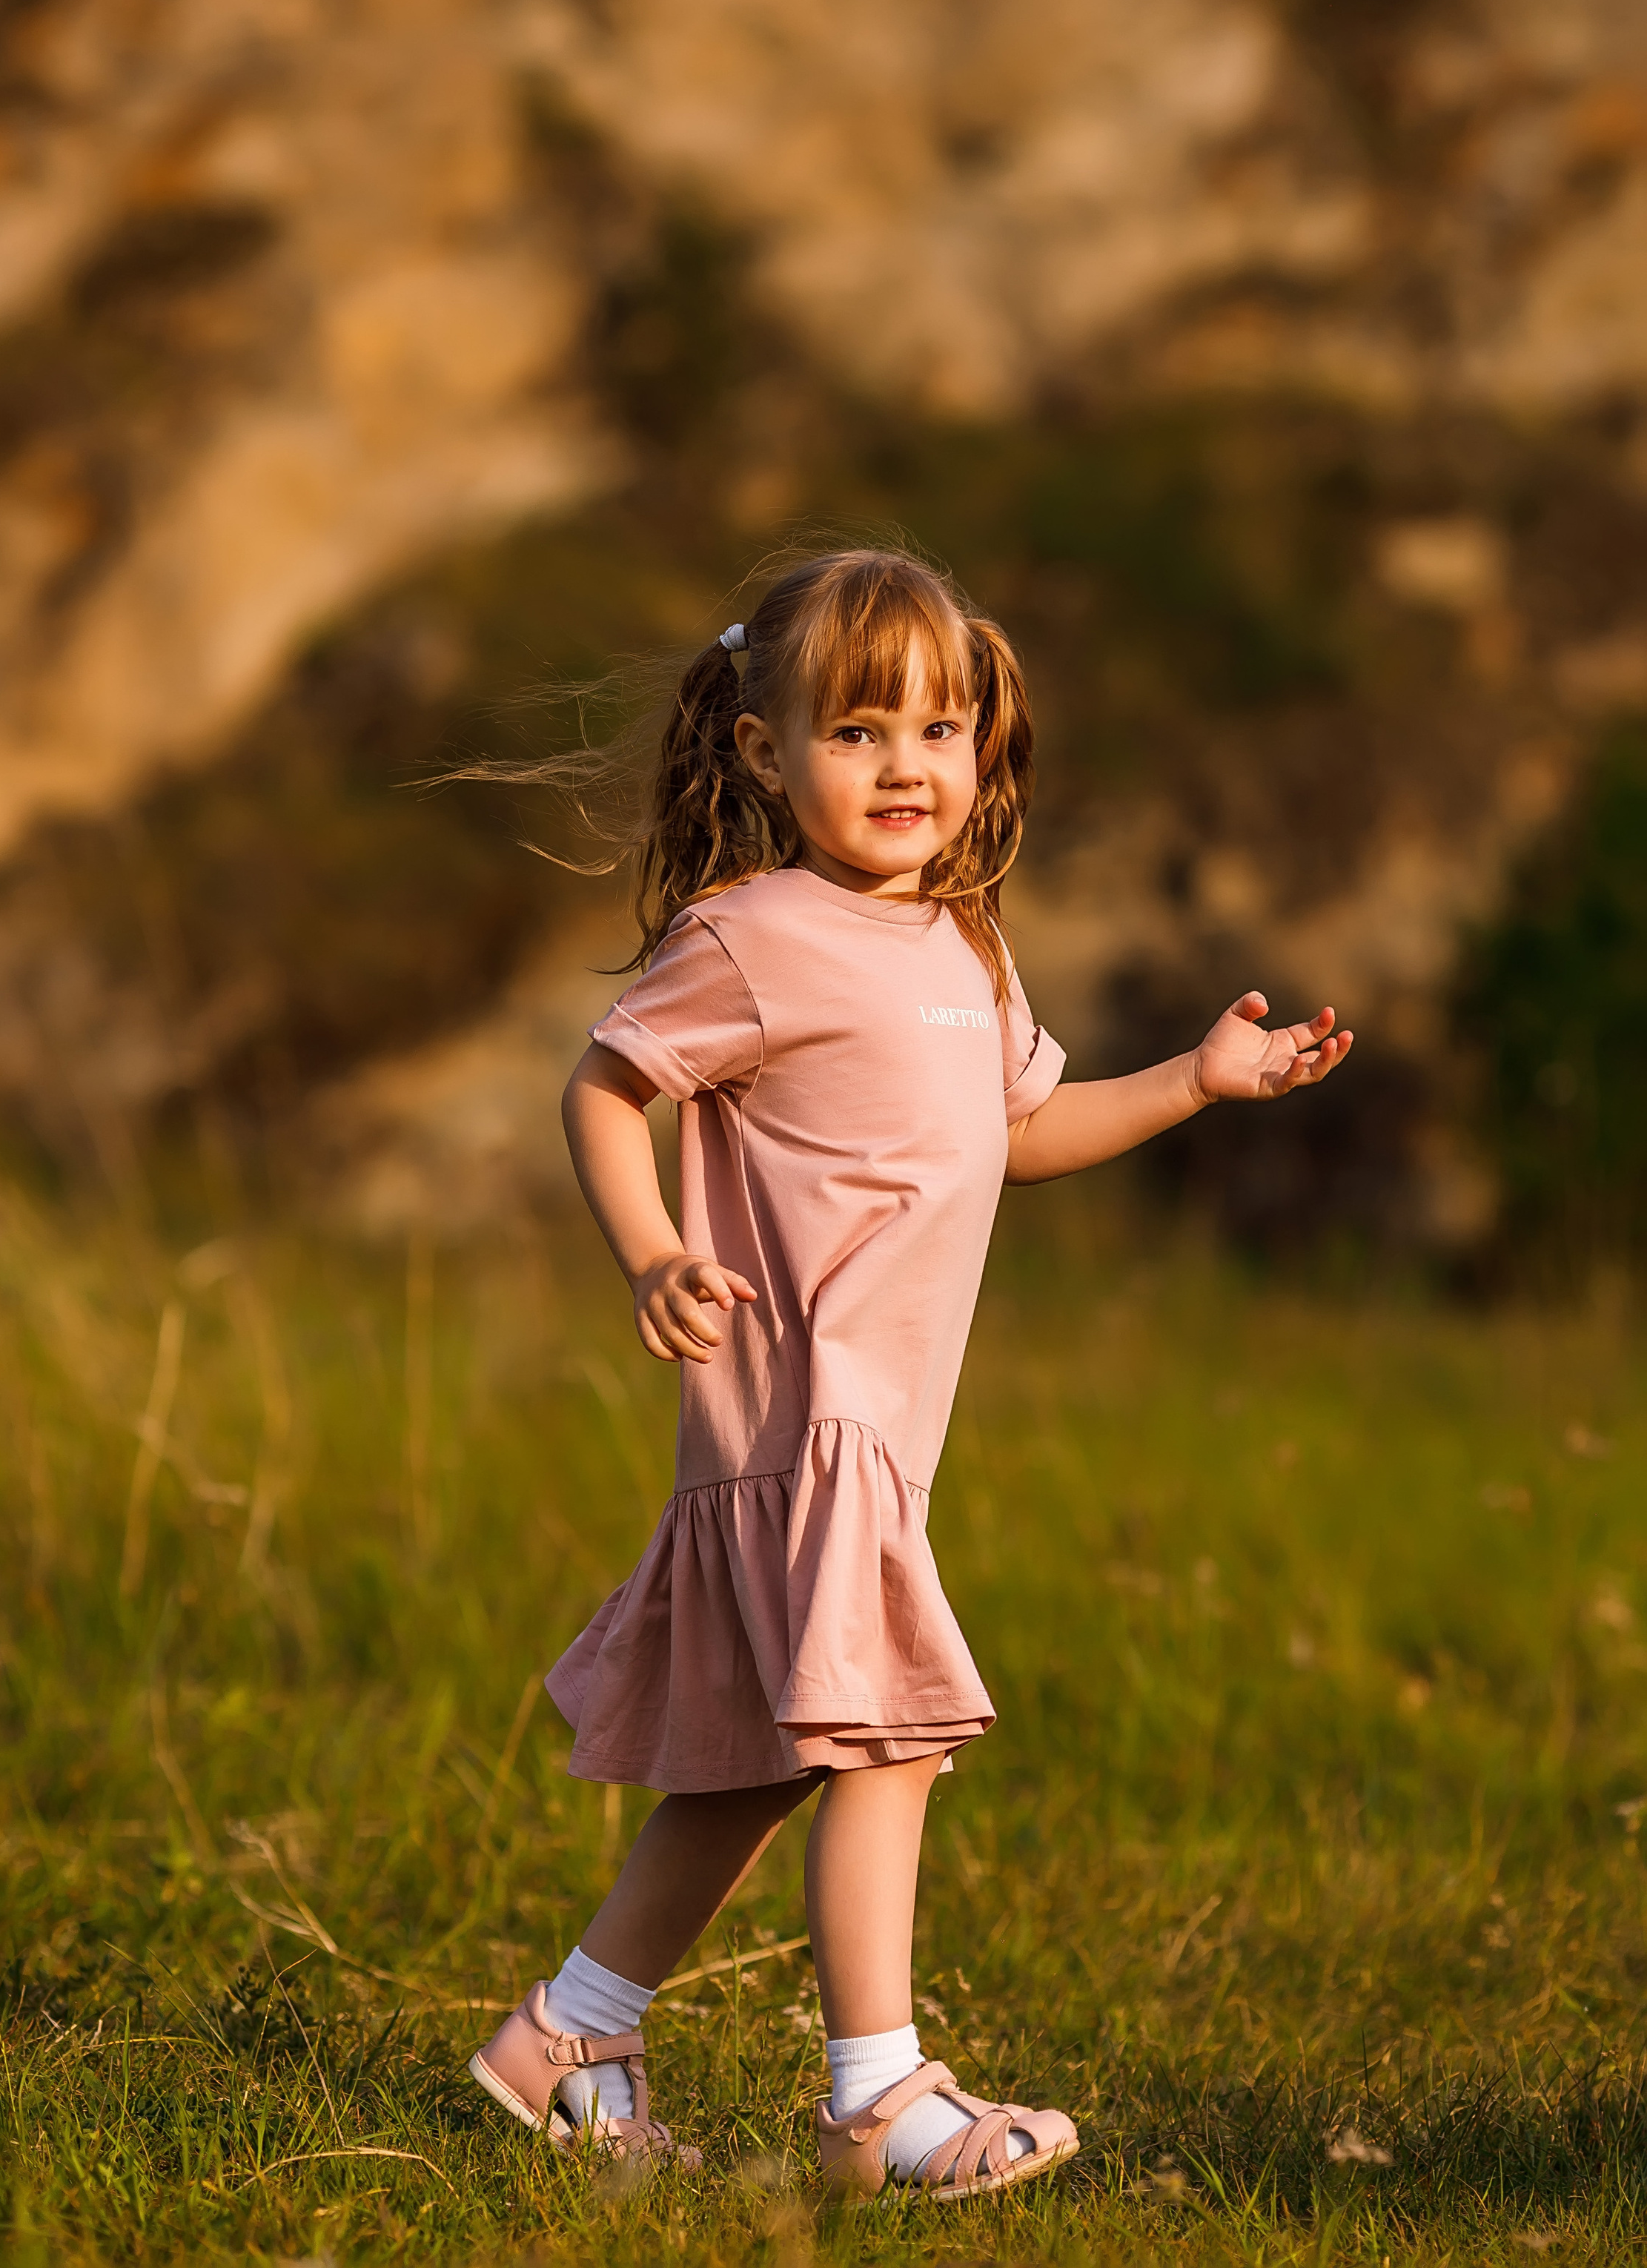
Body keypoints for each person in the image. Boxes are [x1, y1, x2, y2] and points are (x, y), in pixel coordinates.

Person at [467, 547, 1353, 2199]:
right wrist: (652, 1252)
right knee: (887, 1749)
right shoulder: (750, 937)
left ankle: (566, 2038)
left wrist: (1194, 1079)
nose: (904, 768)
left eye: (938, 730)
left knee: (757, 1763)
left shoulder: (965, 945)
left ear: (979, 743)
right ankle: (878, 2103)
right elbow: (603, 1088)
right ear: (766, 750)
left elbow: (1021, 1131)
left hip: (879, 1436)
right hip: (802, 1425)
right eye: (859, 731)